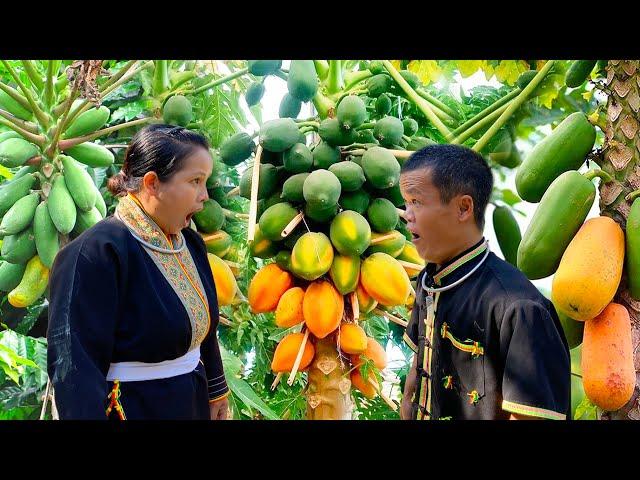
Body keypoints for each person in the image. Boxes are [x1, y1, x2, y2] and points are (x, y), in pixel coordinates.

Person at [47, 124, 230, 420]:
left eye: (205, 181)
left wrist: (215, 389)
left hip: (191, 401)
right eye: (195, 181)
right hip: (133, 407)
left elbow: (204, 332)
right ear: (152, 183)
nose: (205, 195)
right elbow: (74, 369)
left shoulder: (190, 244)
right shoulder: (94, 253)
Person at [399, 144, 570, 420]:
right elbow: (416, 381)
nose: (407, 214)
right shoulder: (430, 281)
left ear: (464, 208)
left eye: (417, 202)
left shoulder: (520, 309)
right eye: (406, 203)